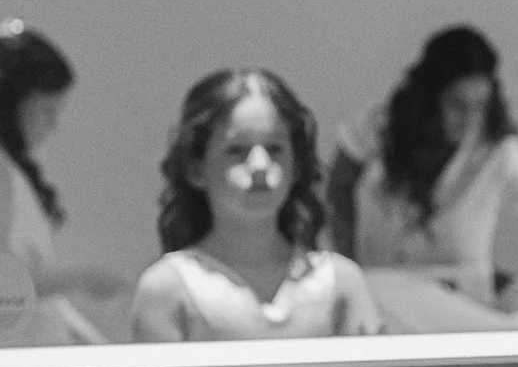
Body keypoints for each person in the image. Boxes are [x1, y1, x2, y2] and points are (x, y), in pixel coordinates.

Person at [327, 25, 518, 329]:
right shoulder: (379, 130)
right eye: (457, 105)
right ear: (428, 98)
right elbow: (338, 188)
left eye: (480, 106)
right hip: (387, 299)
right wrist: (349, 266)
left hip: (463, 308)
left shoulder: (499, 152)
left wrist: (517, 293)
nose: (469, 120)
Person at [131, 69, 382, 342]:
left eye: (275, 149)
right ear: (196, 169)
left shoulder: (342, 283)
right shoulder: (167, 289)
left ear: (296, 165)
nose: (261, 166)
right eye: (237, 150)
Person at [0, 18, 131, 342]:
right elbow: (5, 287)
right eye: (46, 110)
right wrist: (81, 278)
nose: (53, 124)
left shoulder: (12, 174)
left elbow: (40, 302)